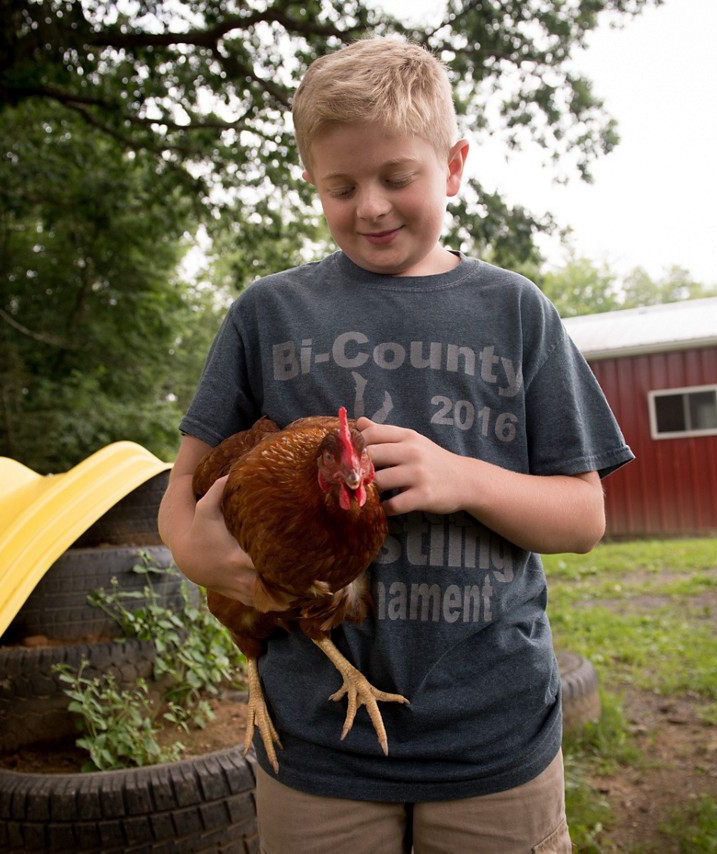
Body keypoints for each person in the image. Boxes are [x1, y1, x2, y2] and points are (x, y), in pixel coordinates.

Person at [158, 37, 633, 852]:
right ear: (313, 182)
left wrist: (465, 479)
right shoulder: (267, 315)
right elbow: (180, 499)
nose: (370, 206)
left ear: (452, 166)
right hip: (317, 744)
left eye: (396, 178)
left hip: (495, 735)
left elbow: (585, 518)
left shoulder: (516, 312)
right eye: (341, 187)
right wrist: (196, 555)